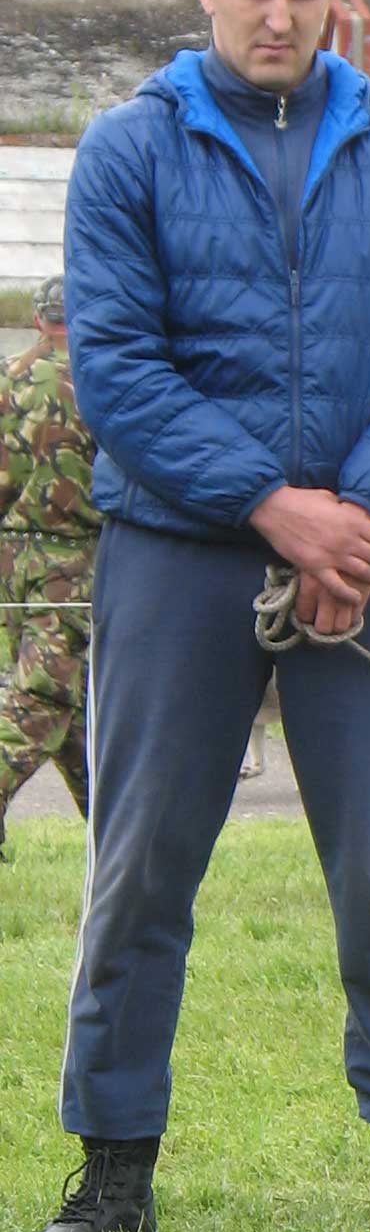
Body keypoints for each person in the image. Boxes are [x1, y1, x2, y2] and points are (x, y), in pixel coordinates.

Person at [23, 0, 370, 1232]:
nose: (279, 15)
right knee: (141, 865)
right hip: (178, 555)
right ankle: (111, 1177)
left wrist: (359, 516)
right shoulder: (128, 149)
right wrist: (277, 511)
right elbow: (119, 368)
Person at [0, 275, 97, 848]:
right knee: (45, 694)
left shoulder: (7, 377)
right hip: (73, 560)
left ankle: (117, 828)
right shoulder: (97, 379)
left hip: (12, 558)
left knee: (71, 699)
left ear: (39, 319)